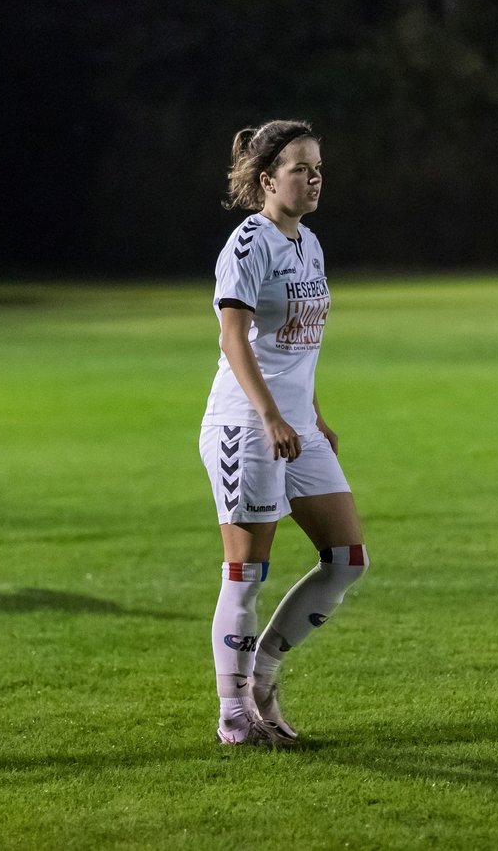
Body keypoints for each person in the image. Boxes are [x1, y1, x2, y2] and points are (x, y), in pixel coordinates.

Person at [199, 120, 368, 746]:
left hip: (297, 425)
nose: (314, 178)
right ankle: (233, 714)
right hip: (247, 423)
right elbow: (234, 338)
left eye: (318, 168)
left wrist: (311, 412)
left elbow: (300, 343)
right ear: (268, 180)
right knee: (246, 570)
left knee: (348, 560)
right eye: (301, 168)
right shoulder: (249, 243)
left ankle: (262, 676)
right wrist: (270, 415)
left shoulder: (311, 243)